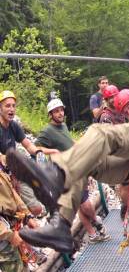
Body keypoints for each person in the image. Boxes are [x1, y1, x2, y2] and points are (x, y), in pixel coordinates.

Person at [7, 57, 129, 253]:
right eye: (126, 111)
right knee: (85, 166)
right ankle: (61, 227)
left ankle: (57, 171)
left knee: (102, 132)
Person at [36, 98, 110, 244]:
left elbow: (67, 143)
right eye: (56, 111)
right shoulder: (47, 131)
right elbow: (36, 147)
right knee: (84, 203)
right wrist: (52, 151)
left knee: (80, 204)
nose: (60, 113)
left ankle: (92, 234)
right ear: (50, 114)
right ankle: (97, 221)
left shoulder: (62, 126)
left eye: (61, 110)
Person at [0, 91, 57, 216]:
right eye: (7, 106)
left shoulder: (13, 126)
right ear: (0, 108)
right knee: (16, 211)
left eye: (13, 106)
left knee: (36, 208)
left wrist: (37, 152)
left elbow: (28, 145)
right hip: (3, 177)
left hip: (16, 171)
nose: (11, 109)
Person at [99, 85, 129, 223]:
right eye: (110, 98)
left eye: (114, 96)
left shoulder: (120, 111)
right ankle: (126, 212)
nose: (113, 99)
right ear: (105, 99)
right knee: (123, 183)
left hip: (123, 150)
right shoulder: (105, 117)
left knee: (128, 182)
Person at [0, 169, 42, 272]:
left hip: (13, 228)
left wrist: (27, 216)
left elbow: (11, 193)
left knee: (23, 267)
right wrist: (9, 235)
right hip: (4, 238)